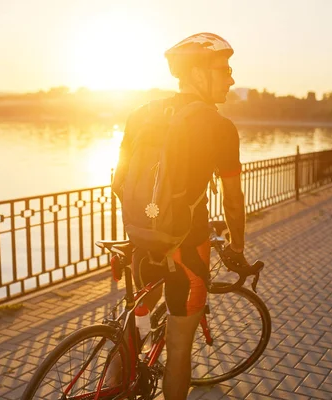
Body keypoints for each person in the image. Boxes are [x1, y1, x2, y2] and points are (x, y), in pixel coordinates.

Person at [112, 32, 247, 399]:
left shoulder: (141, 113)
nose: (231, 78)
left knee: (132, 331)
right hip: (186, 251)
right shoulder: (220, 127)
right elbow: (233, 202)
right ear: (199, 73)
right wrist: (237, 246)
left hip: (143, 243)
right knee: (179, 350)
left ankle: (111, 390)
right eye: (224, 69)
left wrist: (150, 216)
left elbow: (119, 181)